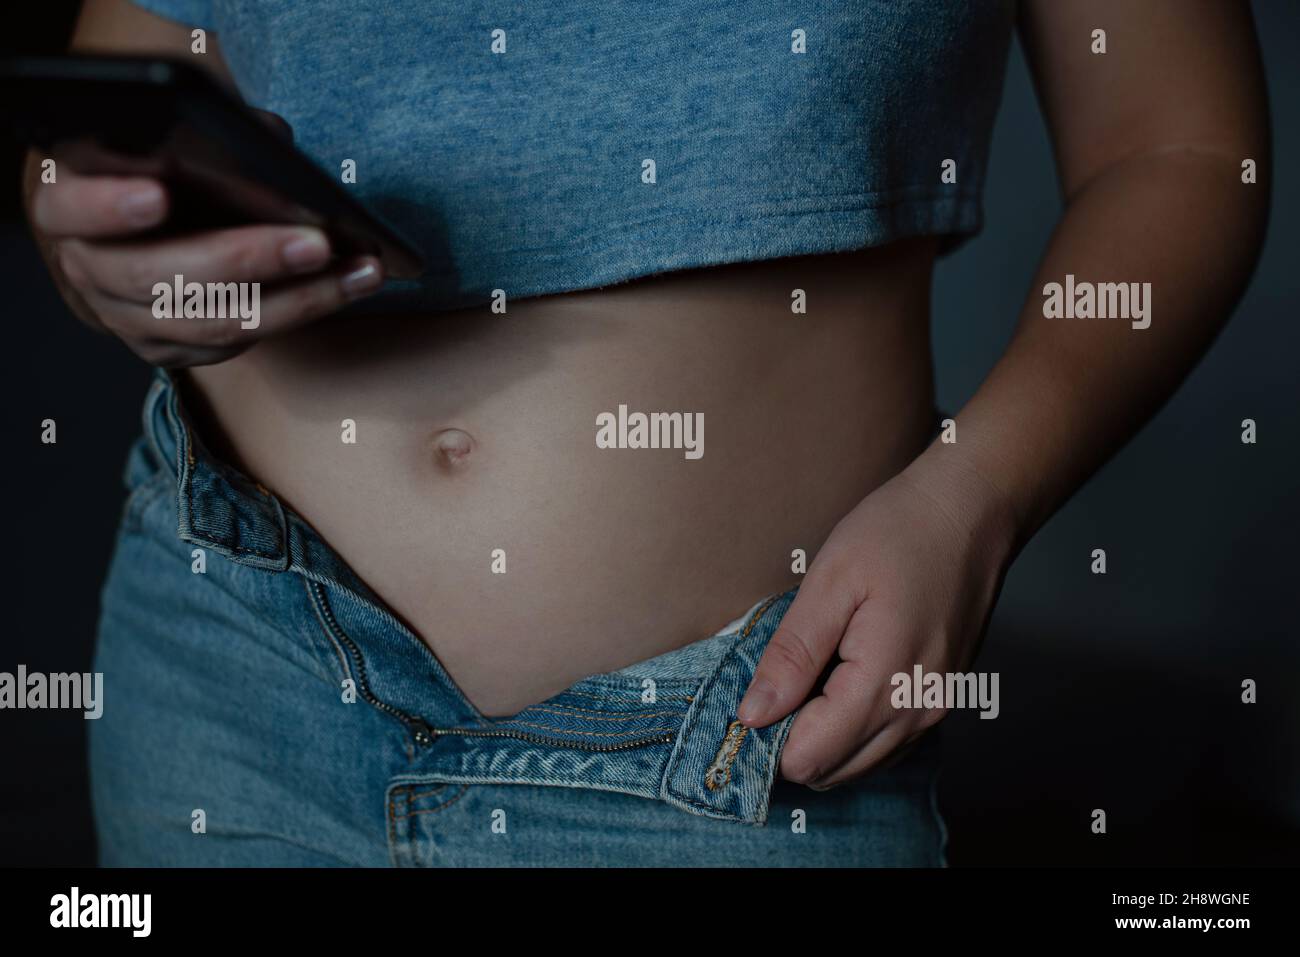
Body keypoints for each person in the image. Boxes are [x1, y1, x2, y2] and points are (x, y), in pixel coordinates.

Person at [23, 0, 1269, 866]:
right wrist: (105, 245)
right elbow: (123, 83)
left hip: (735, 736)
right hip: (234, 666)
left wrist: (974, 498)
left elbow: (1182, 146)